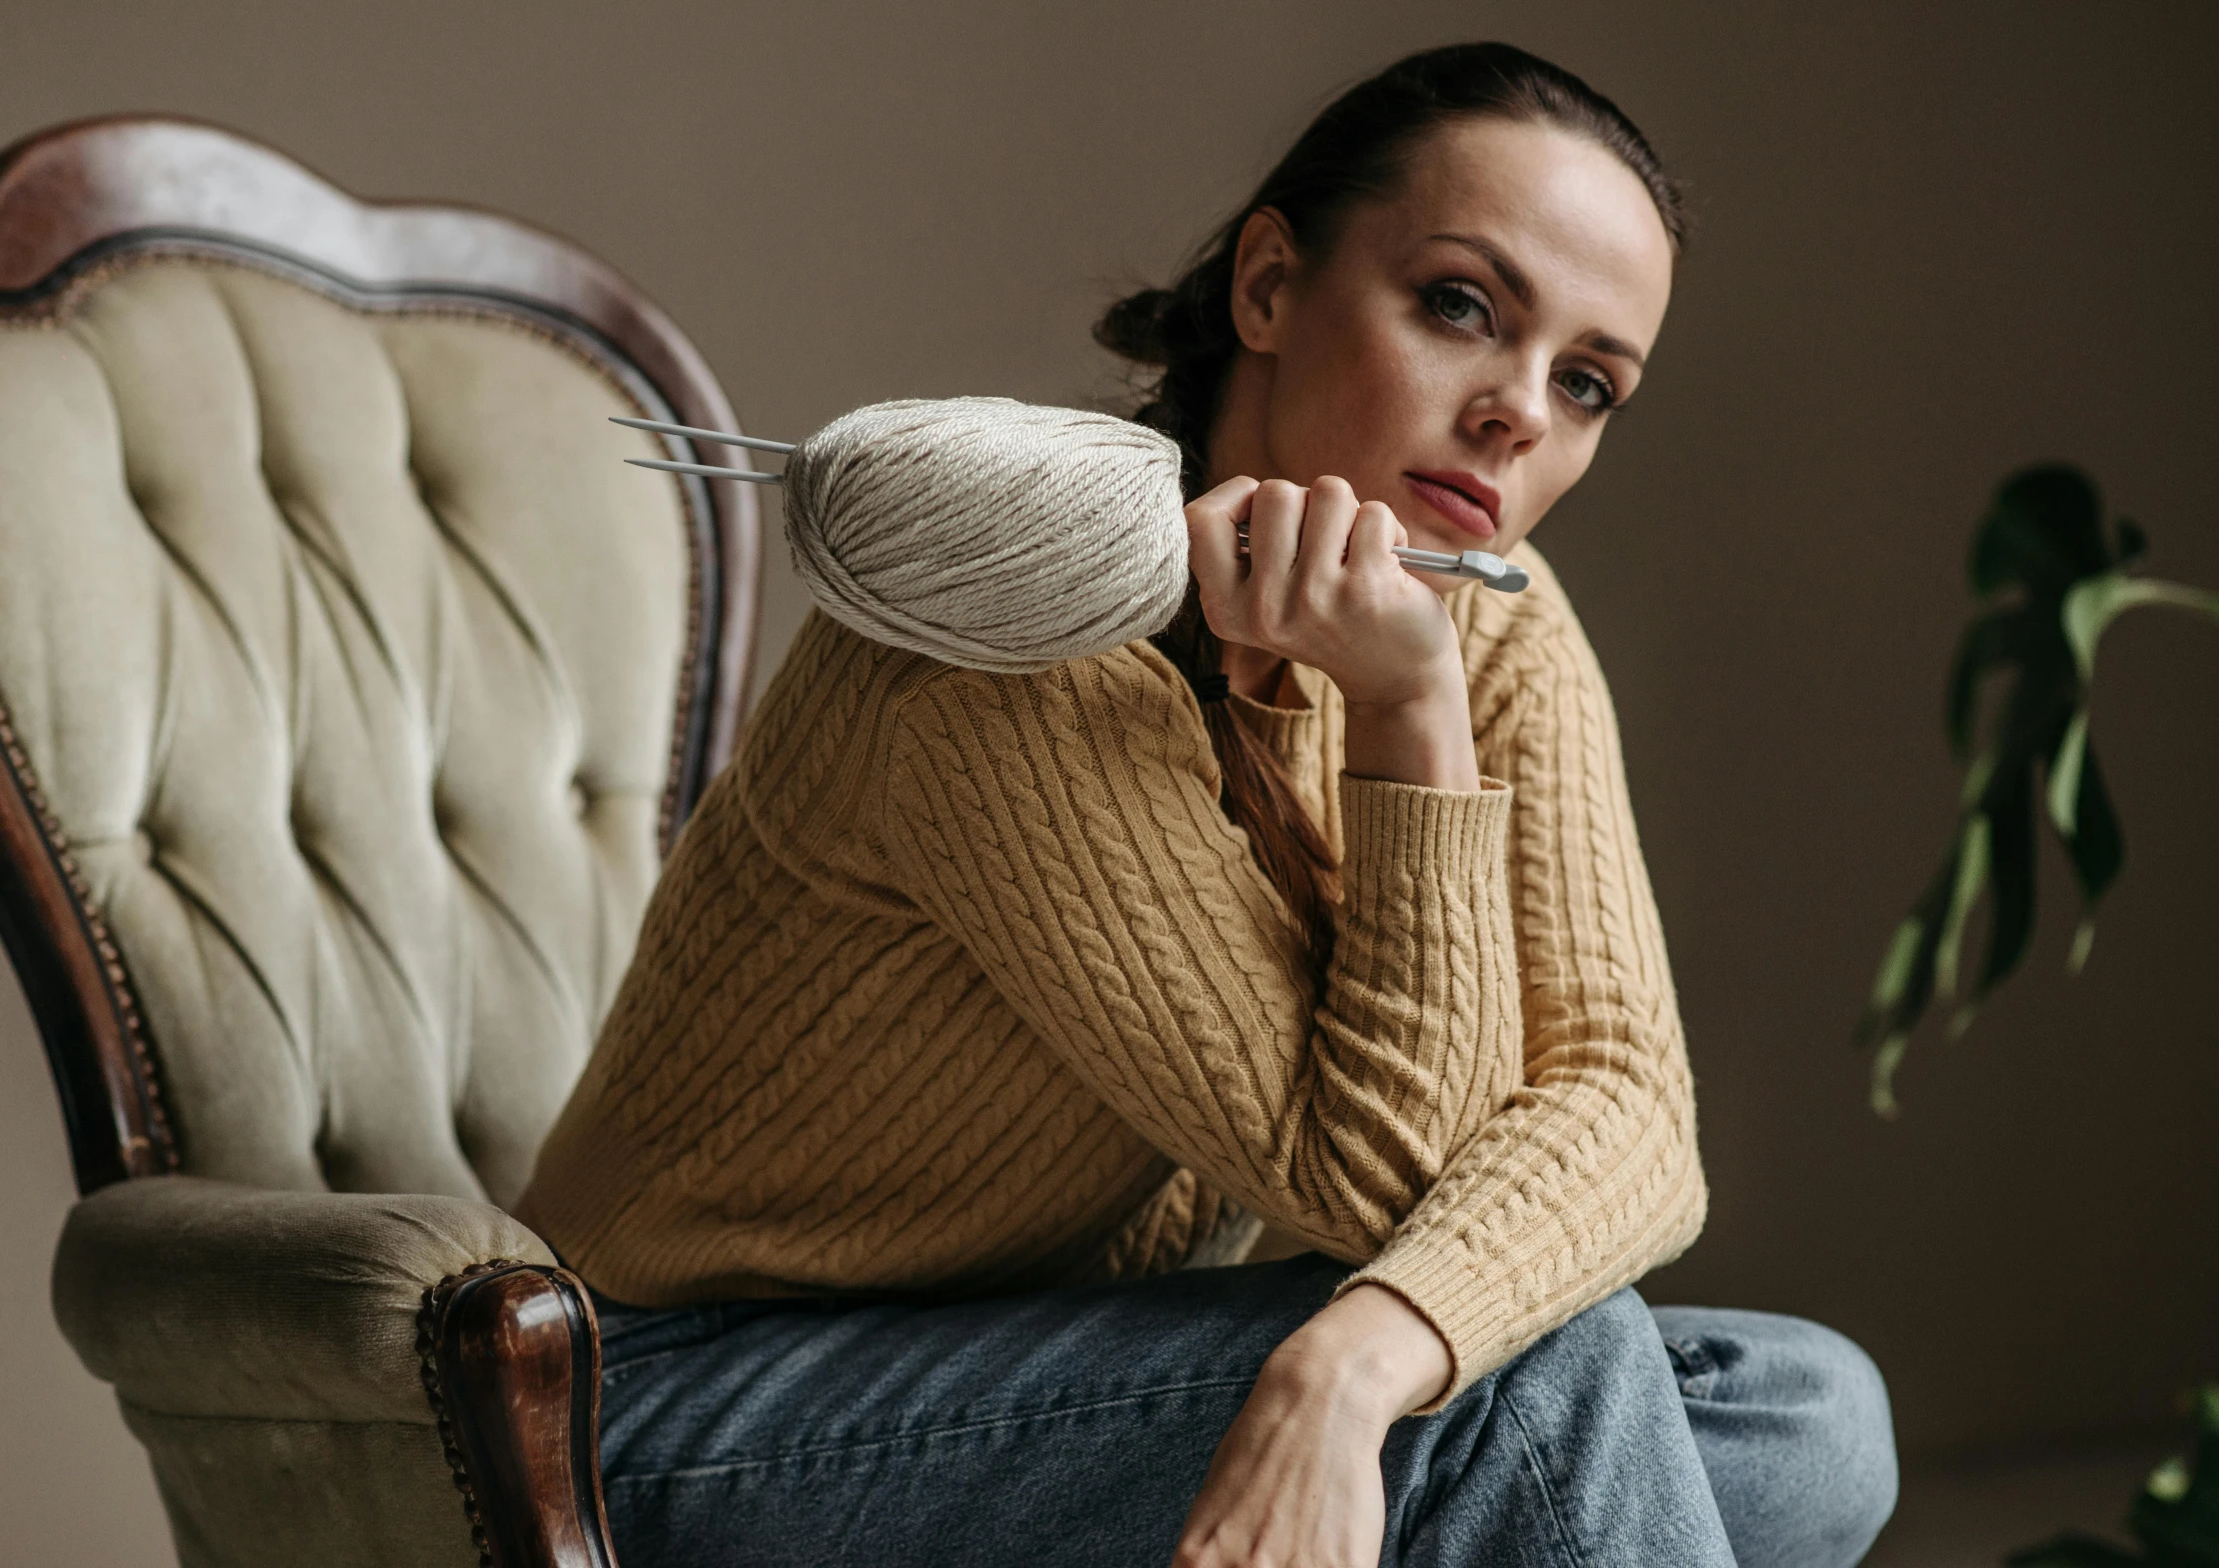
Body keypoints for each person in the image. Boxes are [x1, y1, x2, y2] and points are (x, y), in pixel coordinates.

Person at [517, 40, 1898, 1568]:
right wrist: (1405, 712)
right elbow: (1382, 1190)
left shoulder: (1490, 611)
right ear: (1267, 288)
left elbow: (1633, 1111)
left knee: (1808, 1413)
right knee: (1538, 1394)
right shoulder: (1006, 644)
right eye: (1460, 305)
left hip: (1080, 1364)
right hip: (661, 1415)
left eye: (1587, 383)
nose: (1518, 411)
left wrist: (1347, 1366)